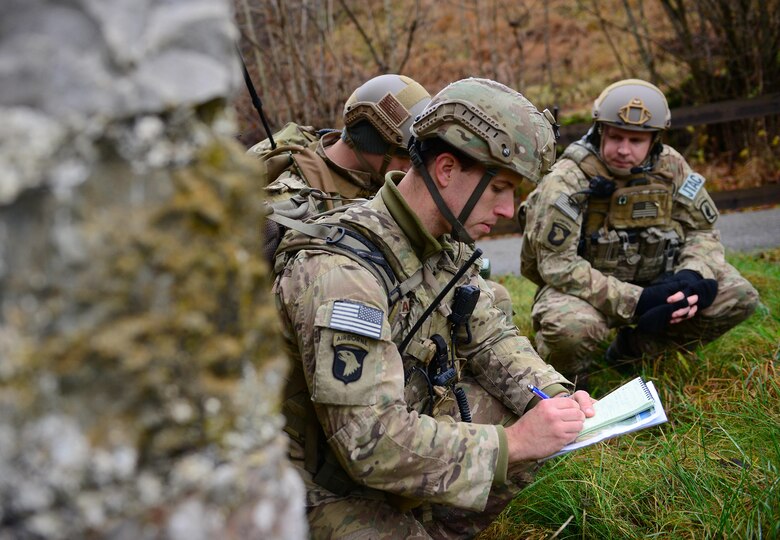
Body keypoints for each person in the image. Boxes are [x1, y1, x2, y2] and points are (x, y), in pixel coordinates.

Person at [273, 77, 596, 538]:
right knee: (520, 444)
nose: (508, 210)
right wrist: (514, 442)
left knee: (535, 438)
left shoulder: (446, 245)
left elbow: (492, 338)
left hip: (382, 437)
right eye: (499, 188)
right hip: (304, 481)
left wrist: (553, 395)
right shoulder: (341, 273)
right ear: (446, 169)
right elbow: (368, 440)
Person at [519, 78, 760, 385]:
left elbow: (703, 230)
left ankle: (636, 350)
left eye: (636, 141)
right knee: (570, 330)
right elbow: (557, 266)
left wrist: (692, 277)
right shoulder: (567, 180)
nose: (623, 150)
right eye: (616, 137)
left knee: (738, 295)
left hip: (657, 277)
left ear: (654, 140)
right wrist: (640, 300)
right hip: (585, 290)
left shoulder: (671, 166)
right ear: (600, 131)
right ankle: (567, 382)